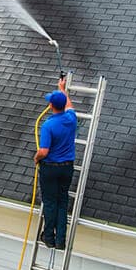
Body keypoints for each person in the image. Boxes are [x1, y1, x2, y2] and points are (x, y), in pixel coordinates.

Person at [34, 76, 76, 249]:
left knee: (50, 203)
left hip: (50, 168)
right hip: (67, 168)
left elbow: (44, 151)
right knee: (62, 202)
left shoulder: (48, 125)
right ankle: (61, 241)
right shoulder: (71, 119)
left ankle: (49, 238)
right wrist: (62, 88)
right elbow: (70, 105)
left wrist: (36, 159)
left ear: (51, 106)